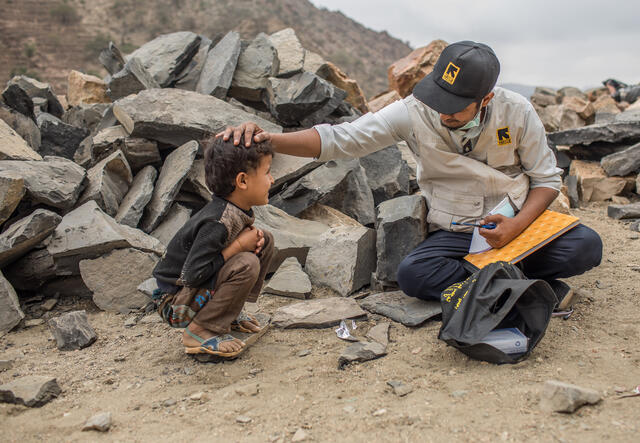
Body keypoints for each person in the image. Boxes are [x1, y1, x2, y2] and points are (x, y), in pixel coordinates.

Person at [220, 40, 602, 310]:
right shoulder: (413, 111)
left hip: (515, 225)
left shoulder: (516, 112)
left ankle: (498, 285)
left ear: (485, 99)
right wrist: (270, 140)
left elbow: (547, 180)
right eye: (439, 99)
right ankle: (528, 287)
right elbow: (341, 139)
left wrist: (516, 227)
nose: (443, 113)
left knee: (586, 246)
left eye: (455, 107)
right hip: (458, 232)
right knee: (414, 276)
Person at [152, 136, 275, 357]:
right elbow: (192, 275)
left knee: (264, 240)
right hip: (174, 302)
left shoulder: (235, 209)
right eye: (267, 173)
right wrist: (237, 246)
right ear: (242, 181)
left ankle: (230, 313)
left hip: (193, 292)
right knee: (246, 263)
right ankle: (199, 330)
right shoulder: (217, 223)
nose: (272, 179)